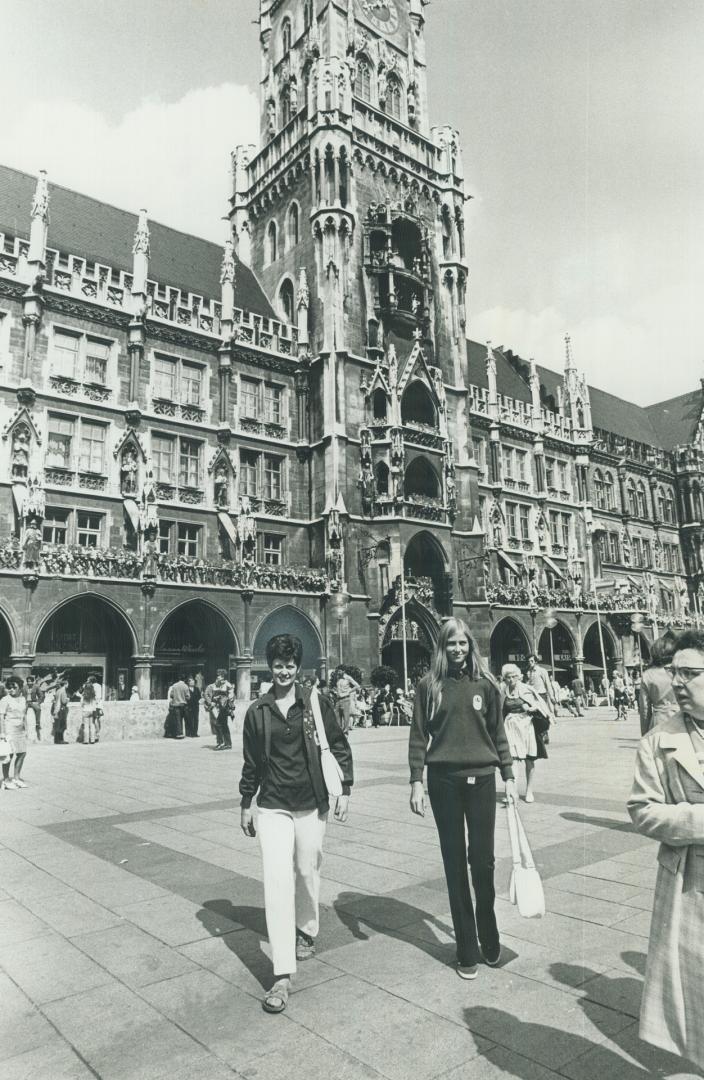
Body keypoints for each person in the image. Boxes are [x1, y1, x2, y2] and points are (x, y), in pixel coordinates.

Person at [239, 634, 353, 1014]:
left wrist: (345, 788)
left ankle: (306, 928)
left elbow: (338, 744)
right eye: (278, 665)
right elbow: (252, 761)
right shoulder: (258, 710)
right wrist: (246, 802)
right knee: (276, 879)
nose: (284, 671)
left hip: (310, 803)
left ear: (298, 667)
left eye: (290, 665)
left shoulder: (315, 703)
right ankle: (282, 974)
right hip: (272, 806)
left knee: (306, 870)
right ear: (269, 667)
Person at [409, 618, 516, 979]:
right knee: (454, 864)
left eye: (463, 644)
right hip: (444, 782)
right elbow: (418, 737)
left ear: (471, 646)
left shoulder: (486, 685)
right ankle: (466, 948)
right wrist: (416, 781)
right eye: (451, 644)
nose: (457, 650)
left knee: (482, 862)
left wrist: (509, 774)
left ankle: (488, 930)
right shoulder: (429, 686)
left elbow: (498, 732)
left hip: (483, 780)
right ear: (441, 647)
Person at [627, 629, 704, 1072]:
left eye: (689, 674)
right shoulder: (658, 740)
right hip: (691, 879)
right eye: (674, 672)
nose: (677, 682)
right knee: (694, 987)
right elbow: (642, 810)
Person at [500, 663, 550, 803]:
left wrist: (531, 708)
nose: (511, 679)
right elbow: (501, 709)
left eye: (514, 676)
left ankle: (529, 790)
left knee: (529, 759)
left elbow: (539, 705)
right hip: (510, 726)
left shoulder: (527, 689)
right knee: (512, 759)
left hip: (527, 725)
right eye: (507, 677)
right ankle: (512, 791)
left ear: (519, 676)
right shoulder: (503, 691)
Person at [638, 637, 678, 736]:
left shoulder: (648, 675)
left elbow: (644, 709)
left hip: (658, 722)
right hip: (682, 719)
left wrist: (645, 733)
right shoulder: (681, 671)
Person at [0, 677, 29, 788]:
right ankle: (6, 780)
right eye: (9, 687)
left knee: (22, 753)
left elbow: (24, 715)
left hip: (20, 730)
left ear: (20, 687)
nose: (11, 689)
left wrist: (26, 729)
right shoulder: (5, 700)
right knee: (9, 755)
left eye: (14, 687)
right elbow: (1, 717)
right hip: (9, 729)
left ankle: (16, 778)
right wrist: (2, 733)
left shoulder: (22, 699)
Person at [204, 669, 234, 749]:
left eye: (220, 677)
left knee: (219, 724)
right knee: (222, 725)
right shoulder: (215, 685)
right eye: (218, 677)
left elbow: (231, 697)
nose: (218, 678)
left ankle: (222, 743)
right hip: (217, 707)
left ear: (223, 677)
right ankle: (226, 743)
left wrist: (221, 698)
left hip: (224, 707)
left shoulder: (227, 685)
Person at [333, 668, 361, 735]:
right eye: (337, 671)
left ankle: (345, 733)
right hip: (338, 700)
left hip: (345, 699)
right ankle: (339, 733)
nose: (338, 672)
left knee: (346, 717)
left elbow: (357, 686)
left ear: (343, 671)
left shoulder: (348, 678)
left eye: (340, 671)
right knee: (337, 717)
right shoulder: (338, 678)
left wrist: (349, 691)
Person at [166, 674, 190, 739]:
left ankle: (179, 733)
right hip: (183, 705)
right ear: (185, 679)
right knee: (185, 719)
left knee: (178, 719)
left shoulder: (174, 686)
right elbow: (188, 697)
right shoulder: (185, 686)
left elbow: (171, 695)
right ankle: (187, 732)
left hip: (176, 705)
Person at [79, 678, 101, 744]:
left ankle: (86, 740)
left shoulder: (84, 695)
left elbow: (81, 703)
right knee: (92, 725)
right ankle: (92, 740)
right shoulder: (93, 695)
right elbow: (95, 703)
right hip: (92, 711)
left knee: (86, 726)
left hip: (85, 710)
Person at [51, 678, 70, 744]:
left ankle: (57, 740)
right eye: (67, 684)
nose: (68, 685)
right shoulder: (63, 691)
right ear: (65, 684)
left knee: (57, 725)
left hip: (57, 709)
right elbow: (64, 701)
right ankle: (60, 740)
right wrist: (68, 699)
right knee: (62, 725)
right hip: (61, 709)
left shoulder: (58, 690)